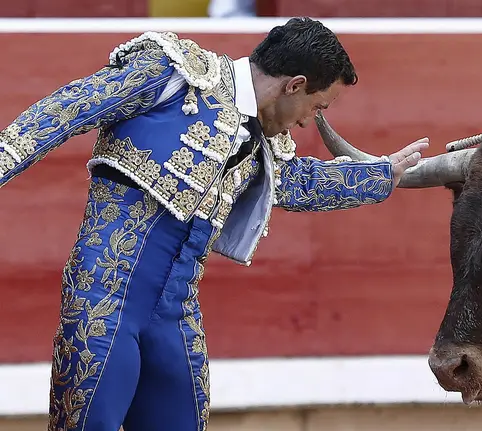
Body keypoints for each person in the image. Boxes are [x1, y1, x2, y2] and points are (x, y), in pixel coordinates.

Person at [0, 17, 428, 431]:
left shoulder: (267, 139)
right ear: (293, 85)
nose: (305, 121)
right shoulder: (173, 73)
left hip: (176, 316)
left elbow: (297, 184)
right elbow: (64, 112)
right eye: (316, 106)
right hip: (104, 302)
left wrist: (382, 174)